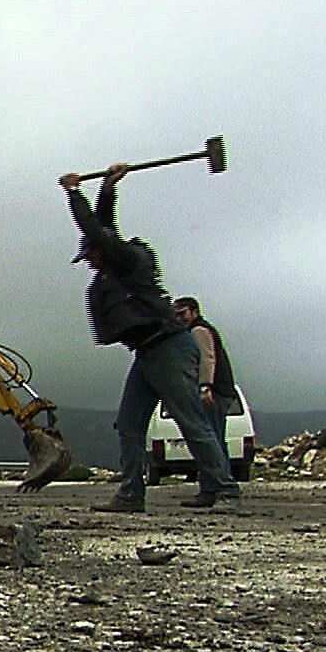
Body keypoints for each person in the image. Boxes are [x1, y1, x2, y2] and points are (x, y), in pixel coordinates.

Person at [60, 162, 240, 511]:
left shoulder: (127, 261)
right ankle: (131, 494)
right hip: (146, 353)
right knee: (128, 423)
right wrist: (108, 189)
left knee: (191, 421)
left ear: (100, 251)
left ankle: (224, 489)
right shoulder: (115, 261)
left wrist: (73, 193)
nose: (89, 263)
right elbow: (105, 228)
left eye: (90, 255)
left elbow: (100, 232)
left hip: (169, 347)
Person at [173, 296, 237, 468]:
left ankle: (220, 481)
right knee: (215, 437)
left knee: (212, 439)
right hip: (220, 390)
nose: (180, 319)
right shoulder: (199, 330)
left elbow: (207, 358)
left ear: (195, 312)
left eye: (183, 314)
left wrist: (205, 386)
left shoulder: (199, 331)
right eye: (176, 315)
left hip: (215, 392)